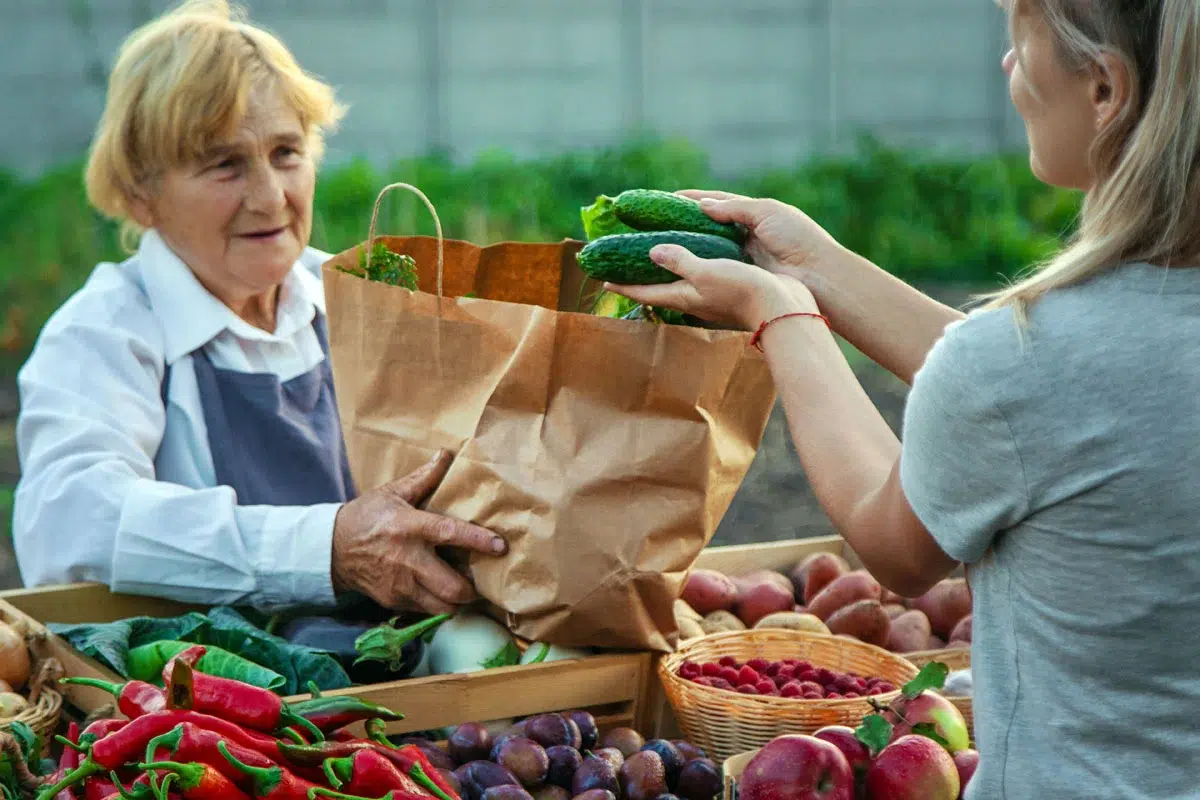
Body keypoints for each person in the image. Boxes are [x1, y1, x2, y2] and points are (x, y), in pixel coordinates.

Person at [606, 0, 1200, 797]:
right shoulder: (1060, 361)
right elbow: (1053, 406)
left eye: (1018, 44)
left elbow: (898, 550)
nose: (1005, 70)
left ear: (1104, 88)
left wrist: (781, 316)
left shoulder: (1029, 361)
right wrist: (816, 262)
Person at [12, 0, 507, 616]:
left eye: (286, 154)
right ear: (141, 194)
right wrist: (326, 548)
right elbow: (71, 524)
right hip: (210, 697)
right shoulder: (104, 333)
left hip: (406, 677)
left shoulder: (357, 298)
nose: (271, 198)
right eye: (226, 165)